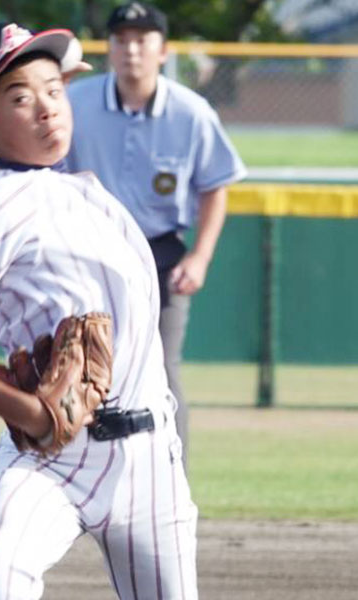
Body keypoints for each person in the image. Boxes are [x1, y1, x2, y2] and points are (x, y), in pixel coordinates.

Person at [0, 22, 198, 600]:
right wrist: (28, 412)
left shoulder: (93, 199)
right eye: (20, 97)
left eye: (54, 90)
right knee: (0, 574)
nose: (46, 108)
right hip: (54, 460)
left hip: (150, 463)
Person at [66, 1, 247, 470]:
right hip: (89, 253)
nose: (131, 50)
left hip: (160, 254)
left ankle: (170, 476)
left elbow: (215, 186)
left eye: (142, 40)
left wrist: (200, 257)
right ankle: (80, 475)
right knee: (77, 368)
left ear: (163, 51)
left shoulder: (190, 112)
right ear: (108, 47)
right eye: (122, 39)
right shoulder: (76, 103)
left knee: (161, 372)